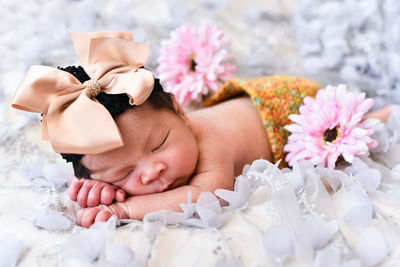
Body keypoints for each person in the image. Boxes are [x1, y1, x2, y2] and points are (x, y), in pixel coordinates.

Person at [12, 31, 394, 228]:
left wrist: (125, 206)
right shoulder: (143, 154)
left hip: (295, 109)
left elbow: (209, 195)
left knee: (354, 131)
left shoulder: (209, 141)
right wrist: (100, 190)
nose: (151, 172)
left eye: (160, 144)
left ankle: (380, 114)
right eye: (122, 173)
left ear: (180, 111)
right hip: (246, 105)